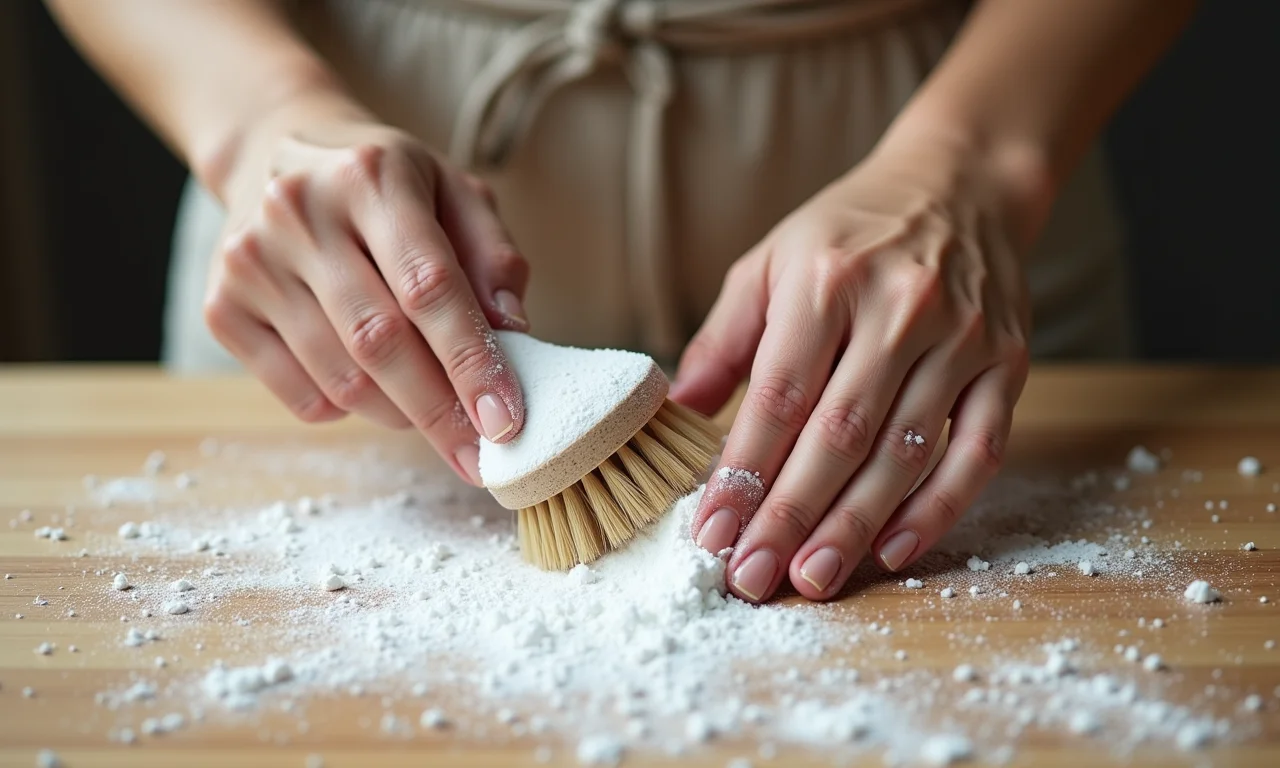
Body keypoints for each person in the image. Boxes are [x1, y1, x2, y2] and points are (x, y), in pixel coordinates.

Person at [47, 0, 1195, 604]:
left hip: (940, 163)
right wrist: (258, 119)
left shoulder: (962, 172)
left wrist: (975, 162)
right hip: (342, 218)